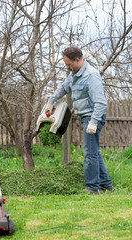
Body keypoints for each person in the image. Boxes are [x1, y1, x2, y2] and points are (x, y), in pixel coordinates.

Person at [45, 46, 112, 194]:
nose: (67, 67)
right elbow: (63, 88)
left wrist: (93, 122)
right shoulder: (75, 75)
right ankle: (106, 184)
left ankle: (93, 188)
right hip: (85, 117)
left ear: (77, 60)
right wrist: (50, 102)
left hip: (92, 117)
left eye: (69, 64)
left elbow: (101, 103)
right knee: (93, 151)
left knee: (89, 152)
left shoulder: (91, 75)